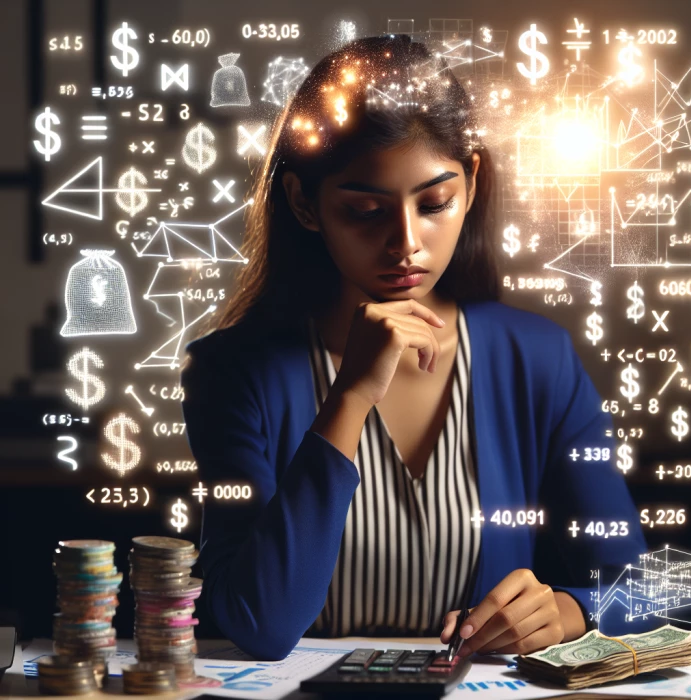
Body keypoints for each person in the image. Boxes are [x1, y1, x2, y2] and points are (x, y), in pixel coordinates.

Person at [180, 34, 652, 662]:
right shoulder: (236, 373)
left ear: (473, 182)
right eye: (366, 211)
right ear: (304, 203)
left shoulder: (537, 359)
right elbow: (257, 621)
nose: (407, 242)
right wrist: (349, 398)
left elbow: (652, 589)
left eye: (435, 203)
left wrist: (571, 610)